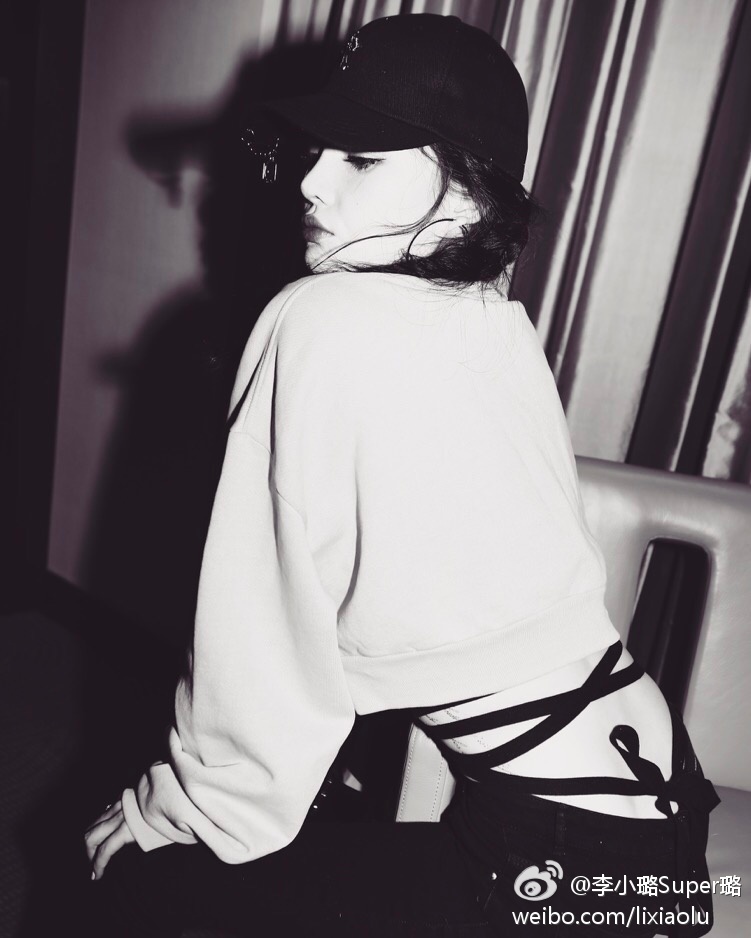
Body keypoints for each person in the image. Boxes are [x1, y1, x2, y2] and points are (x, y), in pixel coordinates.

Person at [83, 14, 719, 937]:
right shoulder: (490, 321)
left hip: (552, 868)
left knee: (136, 886)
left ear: (467, 188)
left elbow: (260, 645)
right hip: (663, 837)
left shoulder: (319, 318)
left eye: (363, 159)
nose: (311, 180)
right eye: (316, 150)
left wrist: (174, 813)